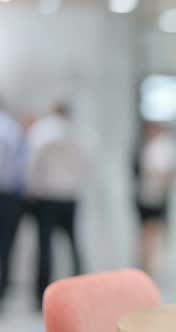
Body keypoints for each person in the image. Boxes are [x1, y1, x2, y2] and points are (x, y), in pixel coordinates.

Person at [26, 102, 88, 307]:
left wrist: (31, 189)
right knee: (73, 244)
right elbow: (87, 163)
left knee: (45, 247)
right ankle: (81, 287)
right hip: (69, 196)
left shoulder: (42, 131)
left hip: (47, 196)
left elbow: (32, 162)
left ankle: (41, 294)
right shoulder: (76, 134)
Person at [135, 121, 176, 276]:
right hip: (150, 195)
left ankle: (150, 264)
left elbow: (165, 172)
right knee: (149, 231)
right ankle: (148, 264)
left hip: (154, 196)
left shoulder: (160, 147)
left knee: (152, 231)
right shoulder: (153, 146)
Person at [0, 107, 27, 302]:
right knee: (6, 246)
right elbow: (22, 166)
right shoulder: (13, 129)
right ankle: (2, 290)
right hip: (10, 195)